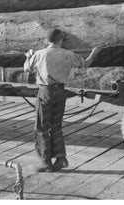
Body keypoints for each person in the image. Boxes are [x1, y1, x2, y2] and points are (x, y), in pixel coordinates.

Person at [24, 28, 101, 172]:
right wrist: (94, 53)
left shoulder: (40, 54)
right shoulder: (68, 54)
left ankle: (45, 162)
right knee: (56, 126)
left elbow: (26, 69)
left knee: (41, 127)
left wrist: (29, 56)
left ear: (47, 41)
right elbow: (85, 64)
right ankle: (61, 158)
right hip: (60, 92)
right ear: (61, 40)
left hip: (45, 92)